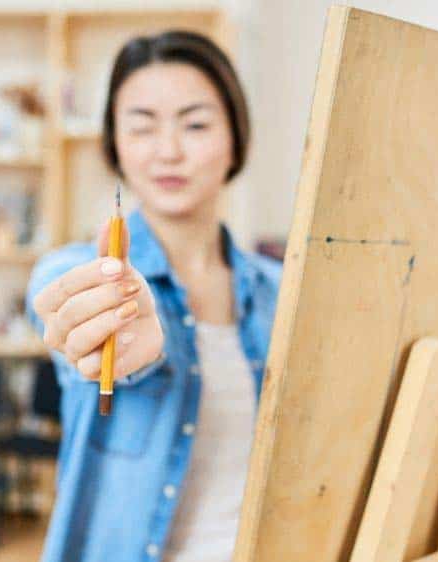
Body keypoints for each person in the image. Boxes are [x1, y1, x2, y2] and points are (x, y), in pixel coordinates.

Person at [26, 31, 282, 562]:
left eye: (195, 124)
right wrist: (121, 347)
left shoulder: (283, 291)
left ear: (236, 138)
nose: (169, 151)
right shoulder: (71, 272)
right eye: (142, 126)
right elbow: (73, 322)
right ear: (115, 144)